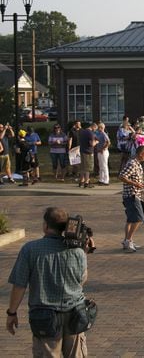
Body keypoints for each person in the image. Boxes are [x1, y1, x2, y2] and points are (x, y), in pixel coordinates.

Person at [6, 207, 94, 357]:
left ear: (46, 226)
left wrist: (12, 312)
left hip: (43, 315)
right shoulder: (77, 251)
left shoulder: (30, 249)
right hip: (74, 313)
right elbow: (81, 281)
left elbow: (19, 284)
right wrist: (84, 253)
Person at [119, 145, 144, 252]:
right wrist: (135, 183)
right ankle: (128, 240)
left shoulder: (138, 164)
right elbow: (122, 176)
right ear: (141, 154)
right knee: (139, 218)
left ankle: (128, 240)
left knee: (130, 219)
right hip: (131, 195)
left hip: (135, 194)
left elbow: (133, 178)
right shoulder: (132, 164)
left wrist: (139, 184)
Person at [76, 123, 97, 189]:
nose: (95, 130)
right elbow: (92, 144)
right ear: (93, 127)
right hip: (88, 152)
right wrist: (96, 142)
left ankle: (81, 181)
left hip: (82, 151)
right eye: (95, 129)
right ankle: (86, 182)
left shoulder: (82, 132)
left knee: (82, 167)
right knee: (88, 168)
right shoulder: (90, 133)